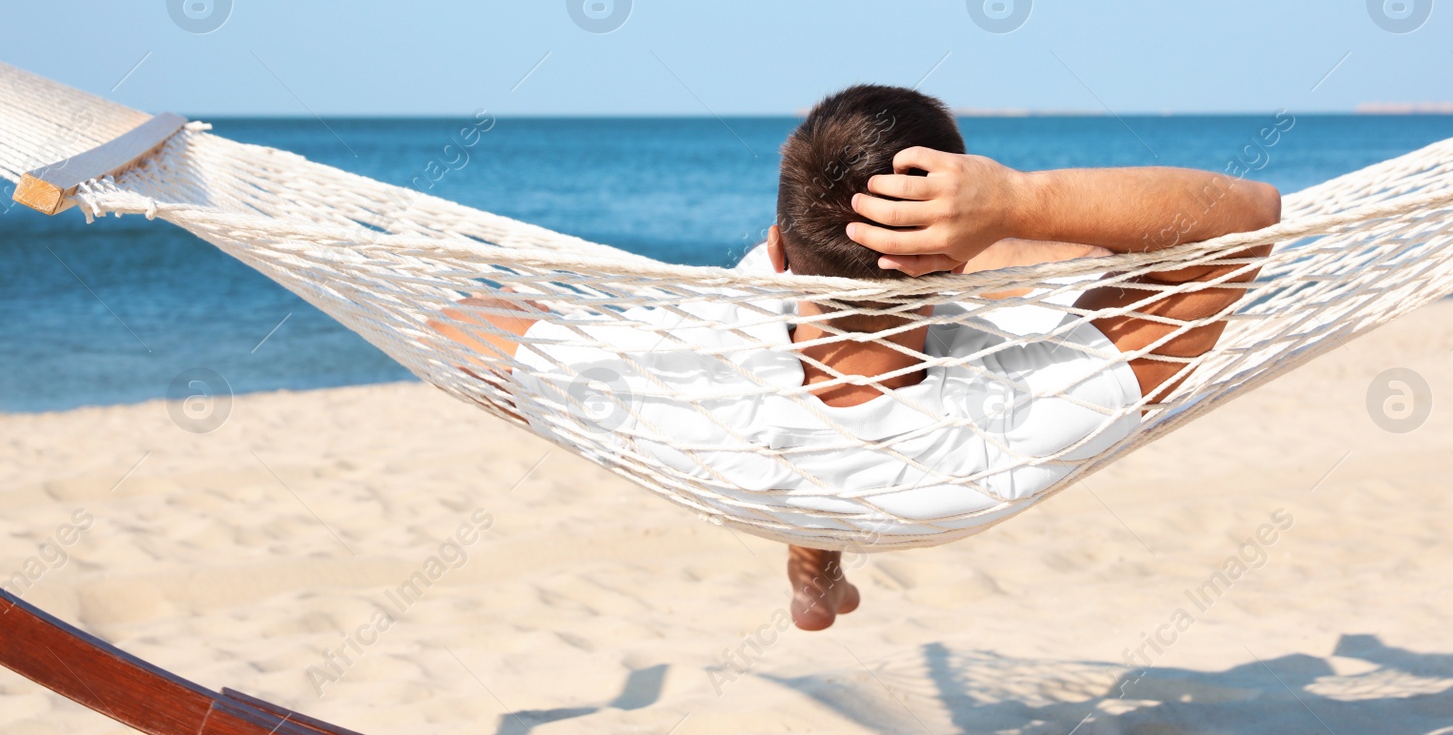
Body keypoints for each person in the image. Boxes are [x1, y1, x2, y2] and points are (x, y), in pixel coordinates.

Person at [431, 85, 1280, 631]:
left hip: (753, 437)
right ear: (948, 266)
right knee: (1046, 267)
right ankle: (990, 252)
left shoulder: (682, 379)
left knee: (792, 420)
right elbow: (1249, 216)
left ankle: (814, 566)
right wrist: (1022, 198)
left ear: (774, 248)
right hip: (926, 469)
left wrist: (612, 346)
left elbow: (458, 324)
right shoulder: (1022, 419)